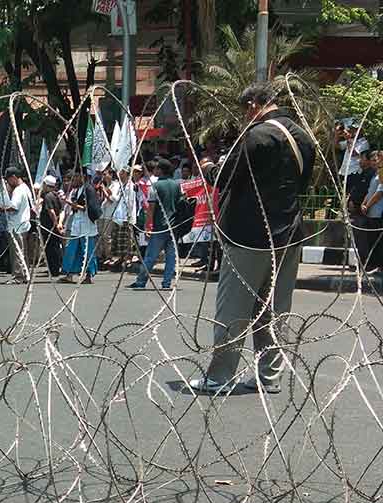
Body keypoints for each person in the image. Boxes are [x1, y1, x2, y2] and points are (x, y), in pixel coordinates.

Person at [189, 82, 315, 396]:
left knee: (234, 308)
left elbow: (224, 178)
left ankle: (219, 376)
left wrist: (208, 167)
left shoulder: (257, 137)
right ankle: (268, 377)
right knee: (274, 309)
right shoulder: (303, 137)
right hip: (288, 234)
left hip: (249, 236)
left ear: (253, 106)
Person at [130, 158, 183, 290]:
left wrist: (148, 227)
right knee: (171, 257)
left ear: (161, 170)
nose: (155, 170)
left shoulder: (155, 187)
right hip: (173, 226)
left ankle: (141, 281)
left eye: (157, 168)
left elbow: (151, 209)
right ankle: (166, 283)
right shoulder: (177, 185)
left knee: (150, 257)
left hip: (159, 227)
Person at [60, 171, 100, 285]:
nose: (73, 180)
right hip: (77, 225)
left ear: (82, 177)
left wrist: (70, 203)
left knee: (87, 250)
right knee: (72, 249)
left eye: (76, 177)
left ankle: (89, 274)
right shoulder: (77, 190)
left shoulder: (89, 190)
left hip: (86, 225)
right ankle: (70, 273)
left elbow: (86, 208)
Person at [0, 167, 33, 283]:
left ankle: (19, 276)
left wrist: (1, 208)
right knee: (23, 251)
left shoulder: (18, 190)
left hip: (17, 224)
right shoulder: (26, 188)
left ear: (13, 177)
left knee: (17, 251)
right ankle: (25, 274)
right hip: (23, 223)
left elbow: (14, 207)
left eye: (8, 179)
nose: (8, 183)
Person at [107, 167, 135, 272]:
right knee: (118, 239)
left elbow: (130, 202)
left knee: (126, 238)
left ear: (127, 174)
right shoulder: (121, 186)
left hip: (126, 216)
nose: (120, 174)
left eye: (122, 173)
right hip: (118, 215)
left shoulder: (130, 186)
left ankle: (127, 258)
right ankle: (121, 257)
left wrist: (129, 216)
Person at [359, 154, 383, 273]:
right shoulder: (375, 175)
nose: (375, 162)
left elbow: (379, 193)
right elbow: (370, 192)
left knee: (377, 242)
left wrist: (367, 205)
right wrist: (363, 203)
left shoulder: (381, 176)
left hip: (378, 212)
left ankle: (378, 265)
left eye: (377, 159)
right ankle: (373, 264)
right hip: (371, 212)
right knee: (371, 240)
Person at [38, 175, 63, 277]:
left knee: (51, 249)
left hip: (49, 227)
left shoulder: (48, 196)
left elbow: (51, 211)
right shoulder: (55, 195)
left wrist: (56, 224)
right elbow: (61, 211)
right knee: (55, 247)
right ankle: (55, 268)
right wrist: (60, 223)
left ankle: (54, 270)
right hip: (53, 226)